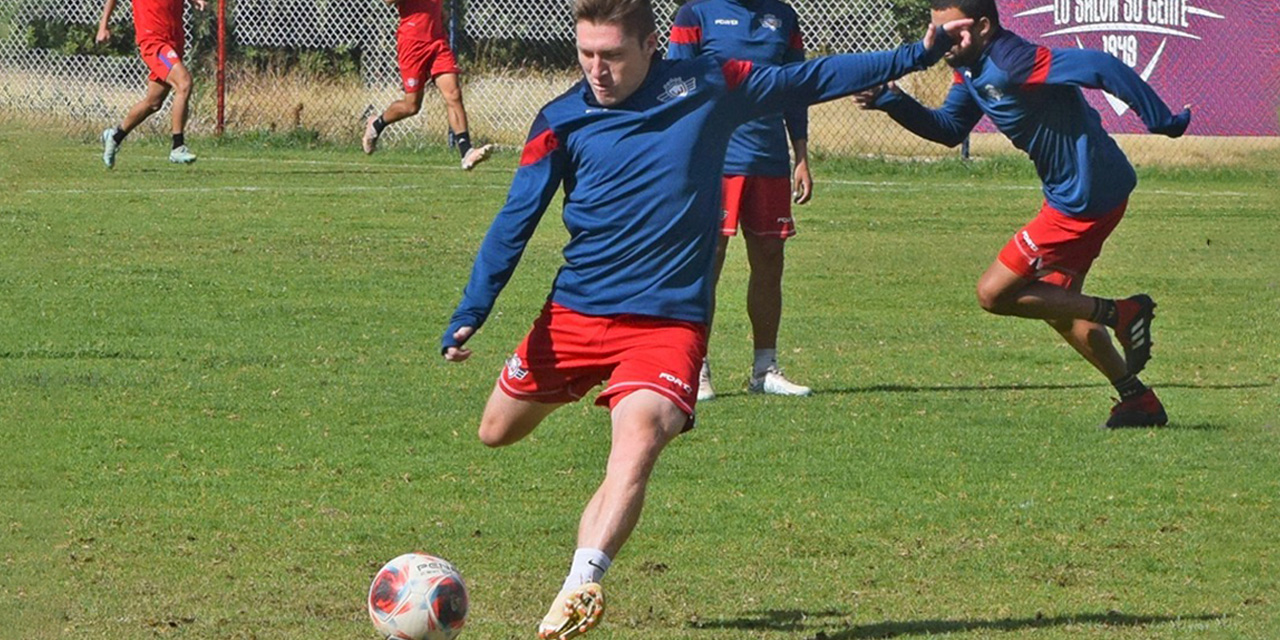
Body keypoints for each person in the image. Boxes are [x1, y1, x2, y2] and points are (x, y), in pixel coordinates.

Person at [440, 0, 970, 636]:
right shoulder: (561, 119)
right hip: (576, 312)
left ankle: (579, 587)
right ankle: (580, 397)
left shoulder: (711, 86)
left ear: (648, 47)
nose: (596, 71)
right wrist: (473, 310)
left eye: (610, 56)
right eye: (585, 55)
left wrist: (920, 53)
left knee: (637, 443)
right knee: (495, 431)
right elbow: (514, 221)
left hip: (668, 322)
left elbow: (814, 77)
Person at [854, 0, 1190, 428]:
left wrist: (1160, 119)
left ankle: (1121, 313)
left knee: (993, 293)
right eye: (936, 33)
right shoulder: (970, 68)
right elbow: (949, 129)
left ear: (983, 26)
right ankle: (1135, 399)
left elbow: (1102, 65)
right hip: (1082, 194)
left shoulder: (1014, 60)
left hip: (1083, 200)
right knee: (1059, 304)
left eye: (950, 33)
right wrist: (891, 100)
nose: (941, 43)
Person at [667, 0, 813, 400]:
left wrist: (800, 155)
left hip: (768, 159)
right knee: (706, 260)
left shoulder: (782, 15)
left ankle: (765, 369)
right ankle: (694, 368)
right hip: (712, 161)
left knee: (769, 257)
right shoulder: (695, 13)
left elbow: (796, 89)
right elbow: (672, 85)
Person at [361, 0, 491, 170]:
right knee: (412, 105)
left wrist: (439, 15)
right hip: (412, 44)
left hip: (437, 42)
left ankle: (466, 152)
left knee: (454, 94)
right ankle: (377, 124)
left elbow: (441, 11)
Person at [96, 0, 204, 167]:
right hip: (154, 42)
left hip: (174, 40)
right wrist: (103, 26)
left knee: (153, 103)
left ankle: (115, 136)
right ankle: (178, 146)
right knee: (184, 83)